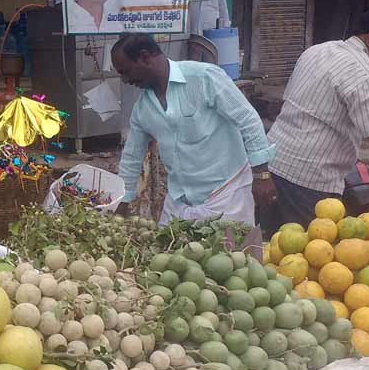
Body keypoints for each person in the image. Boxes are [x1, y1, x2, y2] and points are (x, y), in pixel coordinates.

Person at [267, 4, 369, 229]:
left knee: (276, 244)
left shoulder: (317, 50)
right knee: (312, 254)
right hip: (311, 177)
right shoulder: (366, 77)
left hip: (274, 161)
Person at [112, 34, 274, 226]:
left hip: (227, 196)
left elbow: (247, 119)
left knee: (231, 255)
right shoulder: (142, 109)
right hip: (179, 202)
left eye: (126, 72)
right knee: (167, 253)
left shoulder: (205, 77)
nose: (125, 80)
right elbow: (131, 157)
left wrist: (261, 174)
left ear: (145, 57)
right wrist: (123, 201)